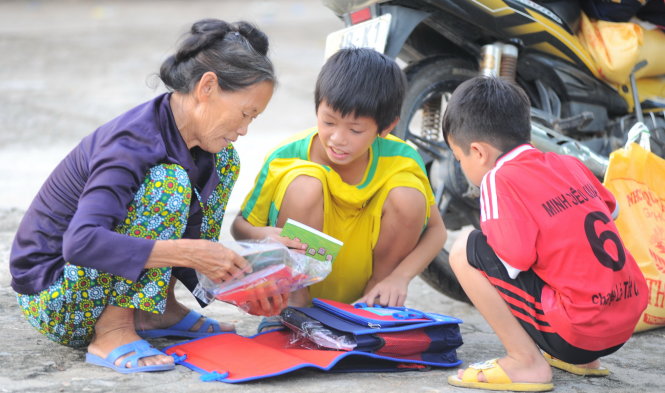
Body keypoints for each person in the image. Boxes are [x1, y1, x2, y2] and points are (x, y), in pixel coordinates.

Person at [9, 19, 286, 374]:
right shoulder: (131, 143)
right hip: (55, 298)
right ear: (208, 87)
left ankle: (156, 311)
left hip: (91, 284)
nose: (245, 129)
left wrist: (243, 283)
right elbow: (80, 244)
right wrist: (194, 254)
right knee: (167, 182)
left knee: (225, 160)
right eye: (245, 113)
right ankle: (111, 330)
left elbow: (189, 239)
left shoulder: (202, 145)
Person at [442, 76, 648, 392]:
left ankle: (525, 362)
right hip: (626, 319)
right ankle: (585, 361)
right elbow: (613, 211)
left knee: (464, 249)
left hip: (578, 332)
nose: (462, 166)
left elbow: (514, 261)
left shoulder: (498, 179)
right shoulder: (567, 163)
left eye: (459, 159)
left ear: (477, 152)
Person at [231, 48, 446, 331]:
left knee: (409, 195)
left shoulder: (402, 158)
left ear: (386, 127)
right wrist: (265, 234)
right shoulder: (287, 155)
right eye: (328, 121)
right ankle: (295, 307)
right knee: (304, 185)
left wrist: (400, 278)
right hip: (297, 282)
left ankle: (376, 302)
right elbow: (239, 226)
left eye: (355, 130)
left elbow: (437, 231)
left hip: (368, 289)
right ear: (317, 107)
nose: (337, 139)